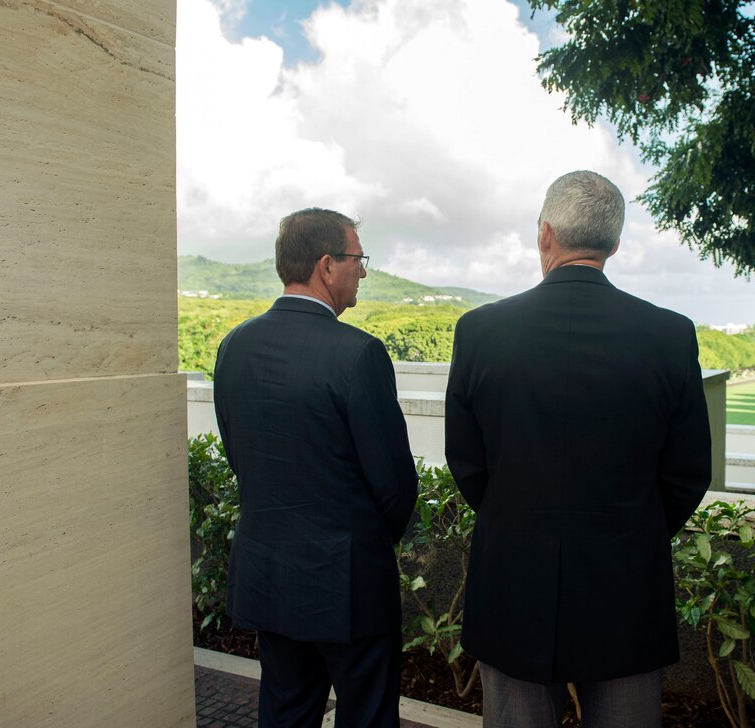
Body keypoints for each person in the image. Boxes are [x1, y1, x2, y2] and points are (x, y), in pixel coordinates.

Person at [445, 170, 712, 727]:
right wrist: (629, 531)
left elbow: (467, 463)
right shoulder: (669, 334)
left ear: (545, 235)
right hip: (625, 586)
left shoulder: (479, 330)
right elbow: (687, 473)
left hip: (513, 580)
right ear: (614, 243)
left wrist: (518, 517)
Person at [213, 208, 418, 728]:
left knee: (284, 713)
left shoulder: (234, 346)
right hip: (349, 589)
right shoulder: (360, 355)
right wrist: (365, 544)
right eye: (357, 259)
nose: (363, 272)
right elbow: (394, 486)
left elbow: (241, 457)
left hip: (269, 578)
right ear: (327, 266)